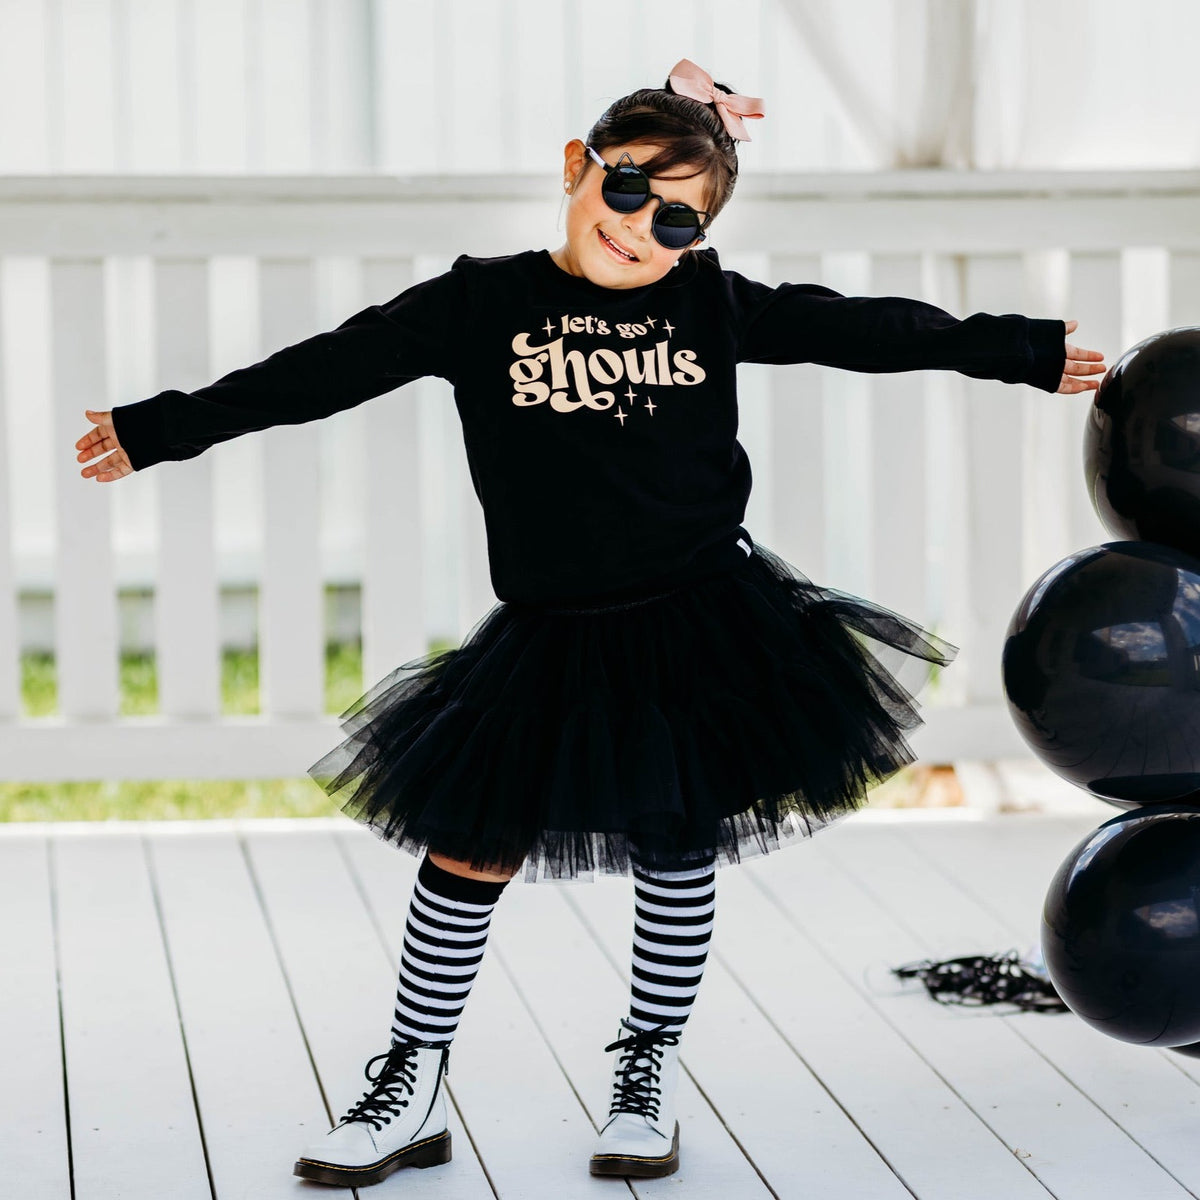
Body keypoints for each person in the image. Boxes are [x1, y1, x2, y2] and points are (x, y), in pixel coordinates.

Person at [74, 58, 1106, 1187]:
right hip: (552, 632)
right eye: (625, 192)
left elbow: (860, 328)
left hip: (702, 622)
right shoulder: (482, 305)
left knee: (676, 844)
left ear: (697, 238)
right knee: (470, 847)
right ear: (575, 168)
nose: (642, 229)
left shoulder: (706, 303)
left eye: (676, 218)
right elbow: (322, 371)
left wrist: (1015, 348)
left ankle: (644, 1069)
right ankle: (408, 1078)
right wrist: (160, 427)